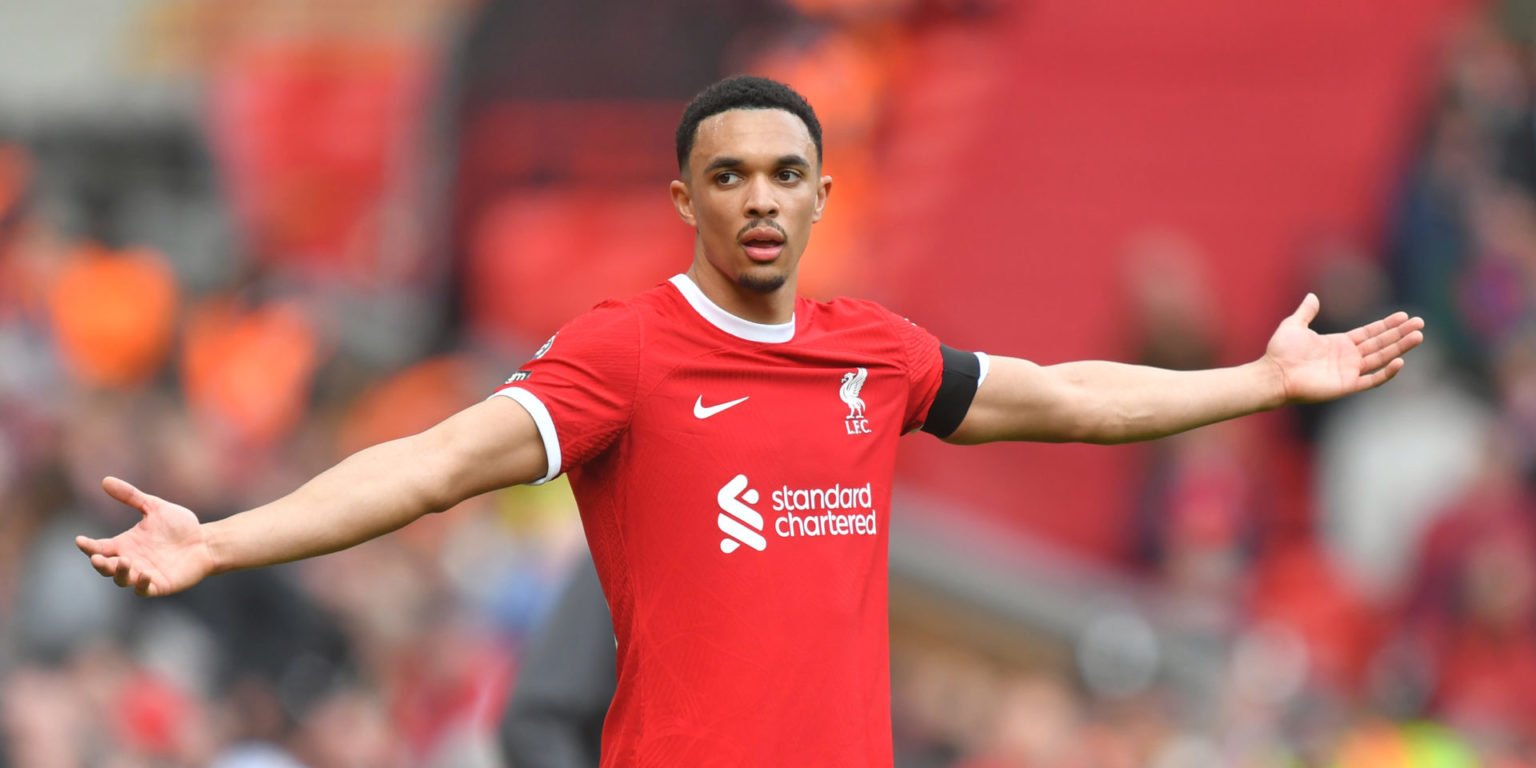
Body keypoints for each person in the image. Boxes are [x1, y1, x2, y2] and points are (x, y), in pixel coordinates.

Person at [77, 76, 1426, 766]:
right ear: (687, 200)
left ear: (824, 194)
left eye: (787, 173)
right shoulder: (624, 353)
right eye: (731, 176)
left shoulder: (874, 354)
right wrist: (227, 541)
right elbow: (433, 466)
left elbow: (1065, 396)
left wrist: (1258, 382)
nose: (762, 198)